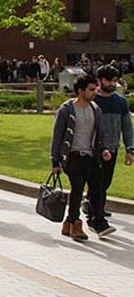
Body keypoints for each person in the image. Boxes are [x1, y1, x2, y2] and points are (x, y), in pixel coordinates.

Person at [51, 75, 106, 242]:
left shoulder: (95, 109)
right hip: (71, 155)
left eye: (95, 89)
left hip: (89, 155)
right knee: (77, 185)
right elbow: (57, 135)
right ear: (80, 91)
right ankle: (76, 223)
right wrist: (55, 161)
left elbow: (99, 135)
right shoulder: (66, 110)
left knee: (91, 187)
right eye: (91, 89)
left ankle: (68, 222)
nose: (94, 92)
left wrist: (103, 150)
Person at [88, 66, 131, 236]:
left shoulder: (120, 102)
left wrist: (129, 148)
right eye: (109, 80)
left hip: (112, 149)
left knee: (104, 184)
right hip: (93, 150)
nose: (113, 84)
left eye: (115, 80)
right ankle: (97, 221)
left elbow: (127, 127)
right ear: (99, 81)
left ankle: (92, 207)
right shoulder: (92, 100)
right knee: (97, 184)